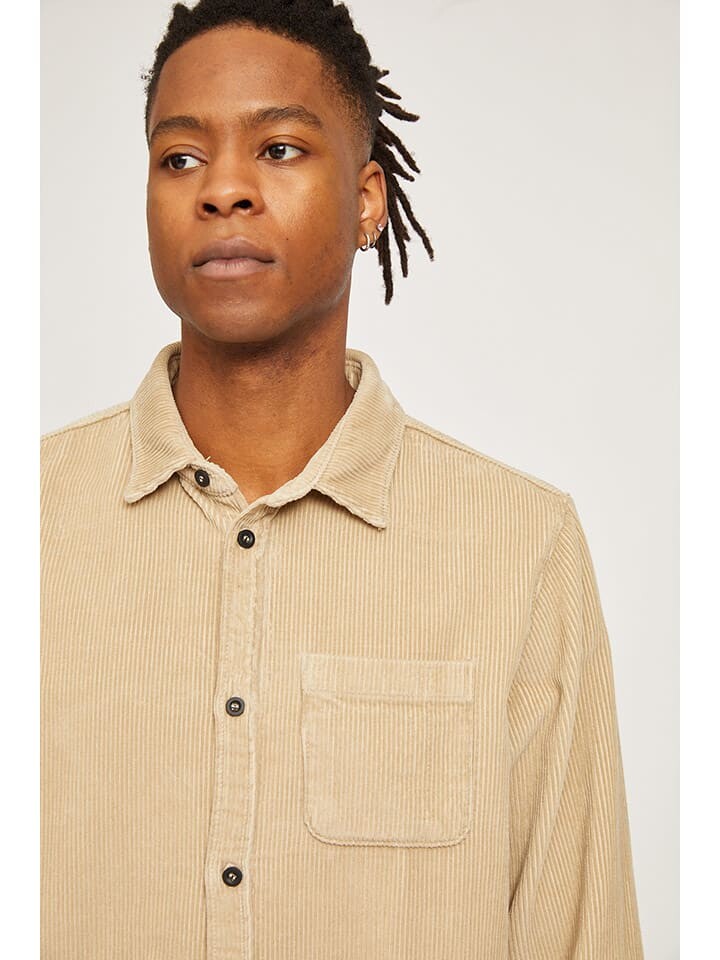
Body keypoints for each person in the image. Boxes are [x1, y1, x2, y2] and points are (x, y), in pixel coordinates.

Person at [40, 1, 645, 957]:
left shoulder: (520, 546)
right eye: (180, 158)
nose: (223, 189)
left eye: (278, 149)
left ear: (368, 201)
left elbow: (580, 931)